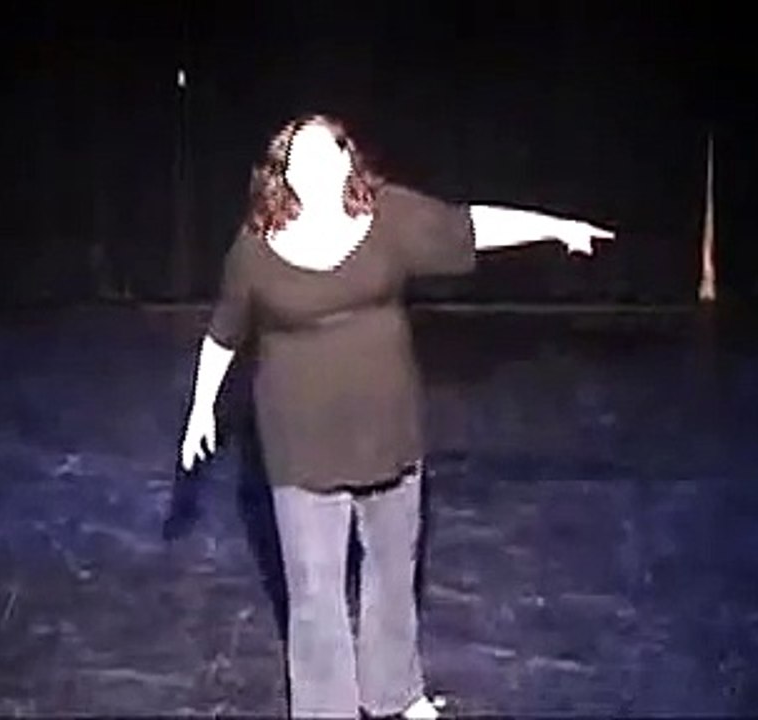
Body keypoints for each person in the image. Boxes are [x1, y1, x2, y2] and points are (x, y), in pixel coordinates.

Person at [179, 113, 613, 719]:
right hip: (300, 443)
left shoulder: (389, 218)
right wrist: (201, 409)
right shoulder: (256, 249)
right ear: (283, 174)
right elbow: (224, 334)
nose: (315, 171)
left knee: (392, 569)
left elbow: (469, 226)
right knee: (314, 592)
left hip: (388, 430)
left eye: (326, 156)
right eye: (300, 161)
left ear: (346, 160)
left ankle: (395, 692)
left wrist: (555, 228)